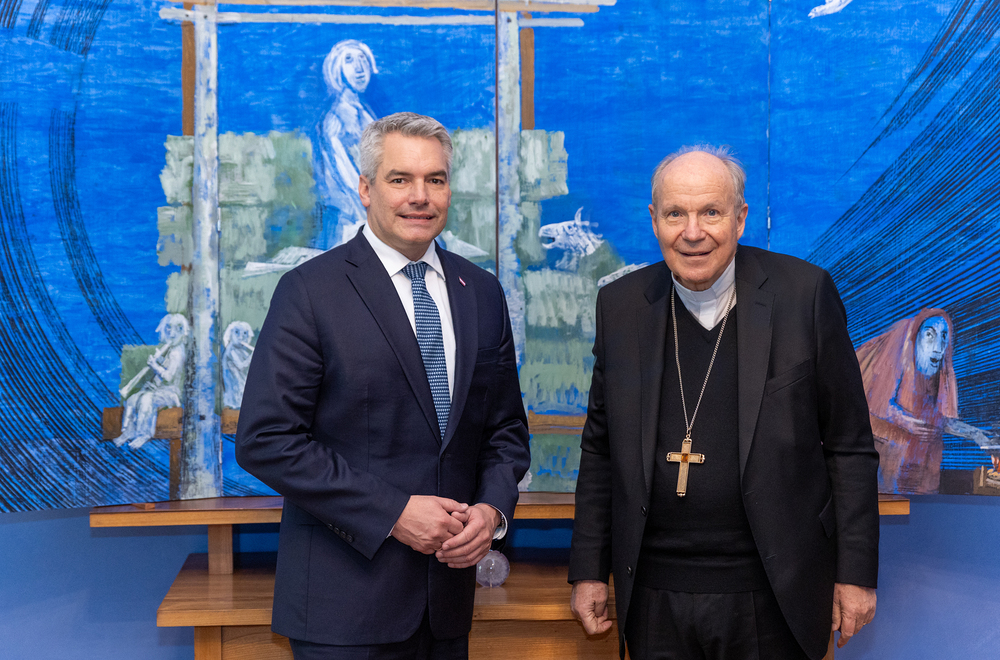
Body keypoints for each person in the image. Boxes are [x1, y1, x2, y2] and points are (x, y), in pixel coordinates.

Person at [236, 112, 530, 660]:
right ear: (366, 189)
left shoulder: (482, 292)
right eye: (401, 179)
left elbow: (505, 430)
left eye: (435, 179)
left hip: (447, 605)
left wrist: (492, 511)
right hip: (344, 611)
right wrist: (393, 513)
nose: (420, 196)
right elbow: (267, 440)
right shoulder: (310, 291)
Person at [568, 146, 880, 660]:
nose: (693, 232)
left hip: (773, 593)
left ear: (740, 218)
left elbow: (849, 446)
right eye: (676, 214)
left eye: (711, 212)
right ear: (654, 220)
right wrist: (587, 570)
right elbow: (600, 450)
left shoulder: (804, 295)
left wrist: (856, 574)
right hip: (653, 596)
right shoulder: (620, 305)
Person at [857, 308, 995, 494]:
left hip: (923, 464)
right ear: (916, 337)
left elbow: (941, 420)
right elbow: (876, 402)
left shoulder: (938, 376)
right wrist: (904, 420)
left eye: (944, 337)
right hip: (890, 459)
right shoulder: (898, 354)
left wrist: (977, 435)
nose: (938, 347)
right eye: (930, 335)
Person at [315, 39, 378, 249]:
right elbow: (346, 177)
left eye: (363, 59)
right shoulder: (334, 120)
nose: (359, 68)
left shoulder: (367, 116)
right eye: (349, 60)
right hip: (349, 220)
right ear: (337, 70)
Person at [114, 313, 188, 450]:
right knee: (132, 399)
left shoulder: (177, 353)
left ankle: (144, 434)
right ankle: (128, 431)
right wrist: (159, 360)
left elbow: (168, 377)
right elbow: (167, 367)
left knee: (146, 400)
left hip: (171, 393)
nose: (170, 332)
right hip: (160, 390)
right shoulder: (171, 349)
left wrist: (155, 366)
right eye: (168, 328)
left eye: (175, 328)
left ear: (181, 330)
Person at [221, 320, 254, 409]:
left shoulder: (242, 351)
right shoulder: (231, 350)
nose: (241, 337)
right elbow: (241, 366)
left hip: (241, 391)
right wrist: (253, 356)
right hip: (235, 393)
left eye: (245, 333)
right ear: (230, 334)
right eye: (237, 332)